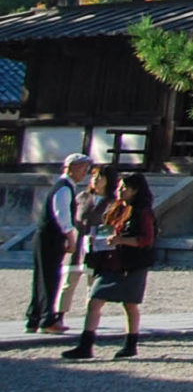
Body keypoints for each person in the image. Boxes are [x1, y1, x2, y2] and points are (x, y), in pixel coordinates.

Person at [61, 171, 154, 361]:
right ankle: (85, 345)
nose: (120, 191)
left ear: (135, 190)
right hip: (109, 261)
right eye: (119, 187)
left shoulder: (143, 212)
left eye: (125, 188)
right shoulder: (116, 208)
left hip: (131, 264)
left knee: (130, 305)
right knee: (94, 300)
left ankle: (131, 343)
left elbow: (147, 239)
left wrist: (122, 240)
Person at [25, 152, 89, 335]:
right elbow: (63, 217)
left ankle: (34, 317)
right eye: (83, 168)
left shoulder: (64, 187)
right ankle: (47, 319)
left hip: (47, 236)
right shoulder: (64, 188)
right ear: (72, 168)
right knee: (49, 278)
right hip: (51, 237)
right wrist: (71, 238)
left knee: (42, 277)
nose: (84, 172)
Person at [55, 162, 111, 326]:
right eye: (93, 176)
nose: (95, 180)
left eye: (100, 176)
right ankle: (59, 315)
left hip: (98, 246)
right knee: (68, 283)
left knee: (93, 284)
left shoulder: (111, 201)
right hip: (79, 243)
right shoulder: (81, 197)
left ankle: (90, 317)